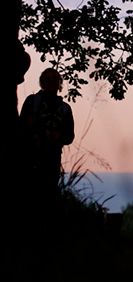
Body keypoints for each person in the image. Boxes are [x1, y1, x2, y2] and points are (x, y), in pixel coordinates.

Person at [19, 68, 75, 204]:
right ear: (42, 83)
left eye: (55, 78)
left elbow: (69, 136)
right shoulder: (32, 101)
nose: (51, 81)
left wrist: (58, 136)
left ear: (60, 83)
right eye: (48, 78)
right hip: (30, 157)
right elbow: (21, 126)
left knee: (47, 196)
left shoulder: (65, 108)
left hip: (52, 159)